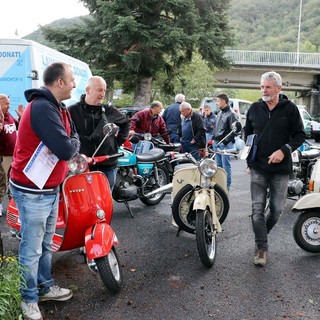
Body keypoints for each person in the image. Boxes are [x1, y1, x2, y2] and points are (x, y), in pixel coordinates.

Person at [9, 62, 80, 320]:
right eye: (71, 80)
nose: (75, 84)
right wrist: (70, 143)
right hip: (32, 192)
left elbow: (74, 137)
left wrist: (70, 143)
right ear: (59, 82)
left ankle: (44, 286)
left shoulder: (59, 109)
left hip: (49, 188)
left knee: (46, 244)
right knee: (32, 248)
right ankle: (28, 298)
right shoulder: (41, 108)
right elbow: (66, 149)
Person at [245, 71, 306, 267]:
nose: (264, 90)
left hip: (281, 170)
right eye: (262, 86)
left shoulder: (290, 109)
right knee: (257, 210)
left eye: (268, 87)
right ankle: (261, 247)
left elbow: (299, 136)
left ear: (279, 88)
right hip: (258, 168)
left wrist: (284, 150)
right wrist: (249, 161)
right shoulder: (254, 108)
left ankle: (261, 235)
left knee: (277, 210)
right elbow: (248, 136)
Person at [68, 76, 130, 191]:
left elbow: (126, 122)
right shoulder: (72, 111)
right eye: (99, 90)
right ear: (88, 90)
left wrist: (117, 142)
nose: (103, 94)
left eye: (104, 90)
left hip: (107, 166)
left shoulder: (109, 110)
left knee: (105, 204)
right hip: (83, 167)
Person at [0, 95, 24, 216]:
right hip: (3, 156)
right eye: (6, 104)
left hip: (13, 155)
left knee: (12, 181)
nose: (9, 106)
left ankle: (12, 205)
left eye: (9, 103)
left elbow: (19, 126)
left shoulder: (9, 116)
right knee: (1, 182)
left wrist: (21, 118)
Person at [212, 93, 237, 191]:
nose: (217, 103)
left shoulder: (231, 114)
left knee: (226, 166)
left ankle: (226, 186)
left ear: (223, 101)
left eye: (218, 101)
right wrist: (213, 138)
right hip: (217, 142)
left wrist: (225, 142)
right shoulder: (220, 113)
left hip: (224, 144)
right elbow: (217, 127)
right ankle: (219, 186)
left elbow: (235, 130)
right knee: (218, 166)